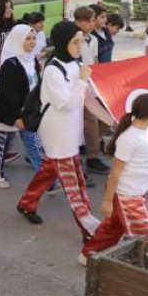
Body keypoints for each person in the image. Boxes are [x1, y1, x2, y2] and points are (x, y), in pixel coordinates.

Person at [17, 21, 100, 240]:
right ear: (64, 42)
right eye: (75, 42)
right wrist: (82, 81)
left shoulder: (74, 63)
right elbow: (66, 103)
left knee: (50, 171)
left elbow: (84, 98)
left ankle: (27, 203)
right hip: (58, 134)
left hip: (70, 132)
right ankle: (90, 230)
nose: (79, 46)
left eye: (81, 41)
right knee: (75, 185)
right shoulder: (54, 69)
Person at [79, 93, 148, 265]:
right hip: (127, 195)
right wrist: (108, 201)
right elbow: (116, 172)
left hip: (135, 192)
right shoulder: (129, 139)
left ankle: (88, 255)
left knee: (112, 228)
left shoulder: (147, 130)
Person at [0, 24, 46, 188]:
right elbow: (7, 95)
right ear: (17, 40)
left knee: (34, 146)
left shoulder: (32, 60)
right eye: (27, 39)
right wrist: (16, 117)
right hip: (9, 113)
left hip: (27, 113)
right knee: (1, 145)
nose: (32, 42)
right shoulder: (10, 64)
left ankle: (48, 181)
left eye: (34, 38)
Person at [75, 6, 110, 178]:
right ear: (78, 22)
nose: (90, 24)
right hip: (76, 84)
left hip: (90, 85)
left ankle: (92, 154)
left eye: (91, 20)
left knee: (96, 118)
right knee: (85, 120)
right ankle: (89, 156)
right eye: (87, 21)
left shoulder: (94, 40)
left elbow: (95, 62)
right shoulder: (75, 39)